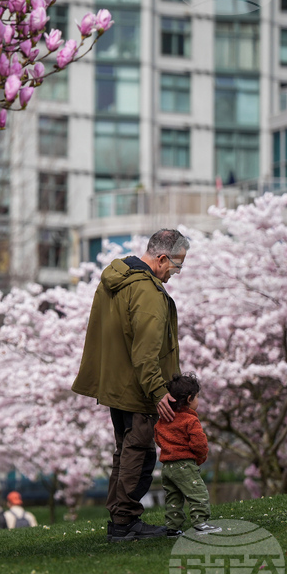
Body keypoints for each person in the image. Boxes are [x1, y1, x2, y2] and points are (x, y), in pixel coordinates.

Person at [72, 229, 190, 543]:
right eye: (175, 267)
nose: (174, 275)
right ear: (162, 258)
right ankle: (125, 522)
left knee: (125, 451)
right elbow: (145, 350)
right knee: (139, 453)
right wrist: (158, 391)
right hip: (139, 388)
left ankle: (120, 520)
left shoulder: (115, 278)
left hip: (117, 384)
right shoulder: (147, 292)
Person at [154, 373, 222, 537]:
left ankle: (173, 528)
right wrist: (201, 457)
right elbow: (199, 443)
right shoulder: (190, 420)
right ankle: (201, 524)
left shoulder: (163, 420)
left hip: (167, 466)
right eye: (197, 397)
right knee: (197, 493)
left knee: (173, 498)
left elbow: (157, 437)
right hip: (184, 464)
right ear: (190, 398)